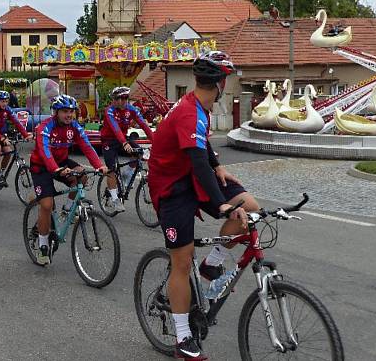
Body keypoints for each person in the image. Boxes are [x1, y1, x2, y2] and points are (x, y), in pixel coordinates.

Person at [147, 51, 259, 360]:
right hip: (171, 188)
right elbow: (196, 161)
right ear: (220, 83)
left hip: (194, 177)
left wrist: (218, 165)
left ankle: (212, 262)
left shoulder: (200, 107)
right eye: (227, 79)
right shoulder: (189, 111)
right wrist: (223, 206)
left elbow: (201, 146)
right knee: (182, 262)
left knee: (249, 206)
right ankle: (183, 337)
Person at [29, 94, 107, 266]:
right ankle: (42, 245)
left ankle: (66, 210)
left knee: (82, 175)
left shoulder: (75, 127)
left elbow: (87, 146)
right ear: (56, 112)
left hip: (61, 162)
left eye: (71, 111)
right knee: (47, 205)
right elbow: (45, 152)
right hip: (42, 166)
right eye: (65, 111)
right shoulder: (45, 127)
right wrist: (56, 170)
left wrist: (99, 165)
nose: (69, 115)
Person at [100, 85, 153, 213]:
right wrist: (124, 143)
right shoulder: (109, 111)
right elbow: (115, 129)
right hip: (109, 141)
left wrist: (156, 142)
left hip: (123, 138)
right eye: (119, 98)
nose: (122, 101)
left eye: (125, 98)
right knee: (111, 169)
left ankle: (127, 174)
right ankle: (115, 199)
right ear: (114, 99)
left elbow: (144, 126)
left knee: (139, 153)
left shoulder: (132, 109)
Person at [0, 90, 32, 186]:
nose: (5, 103)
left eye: (6, 101)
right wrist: (2, 138)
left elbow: (16, 122)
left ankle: (1, 173)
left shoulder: (7, 109)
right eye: (3, 101)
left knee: (8, 152)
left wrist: (26, 135)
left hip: (1, 134)